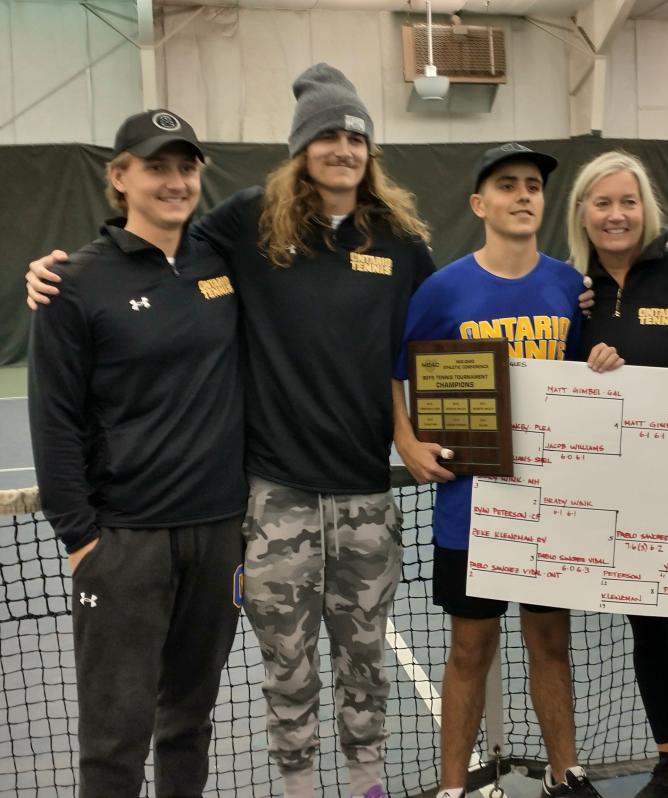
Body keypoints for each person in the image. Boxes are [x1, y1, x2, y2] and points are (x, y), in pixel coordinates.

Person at [26, 65, 436, 798]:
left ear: (371, 151)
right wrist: (55, 272)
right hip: (243, 506)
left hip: (318, 505)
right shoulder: (246, 224)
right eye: (326, 136)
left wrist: (578, 294)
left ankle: (369, 783)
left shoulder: (398, 242)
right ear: (300, 147)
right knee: (261, 678)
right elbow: (146, 256)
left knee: (307, 678)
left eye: (355, 136)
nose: (341, 148)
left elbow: (431, 337)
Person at [28, 109, 247, 797]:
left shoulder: (224, 263)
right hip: (124, 545)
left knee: (189, 721)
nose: (176, 181)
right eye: (157, 167)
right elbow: (55, 419)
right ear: (120, 177)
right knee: (113, 740)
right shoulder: (72, 283)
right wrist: (82, 541)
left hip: (219, 536)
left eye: (186, 167)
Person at [392, 143, 621, 798]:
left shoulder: (571, 288)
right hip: (472, 510)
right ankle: (451, 788)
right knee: (471, 650)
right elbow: (396, 368)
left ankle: (564, 773)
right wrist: (406, 439)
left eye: (532, 186)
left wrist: (605, 362)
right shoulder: (442, 289)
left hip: (551, 507)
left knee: (551, 642)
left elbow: (589, 379)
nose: (522, 195)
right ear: (479, 204)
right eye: (506, 185)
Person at [565, 150, 668, 797]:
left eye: (627, 202)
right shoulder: (574, 292)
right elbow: (560, 384)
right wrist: (590, 363)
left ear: (646, 209)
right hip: (615, 496)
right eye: (602, 202)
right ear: (583, 211)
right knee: (644, 627)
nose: (616, 214)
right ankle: (667, 758)